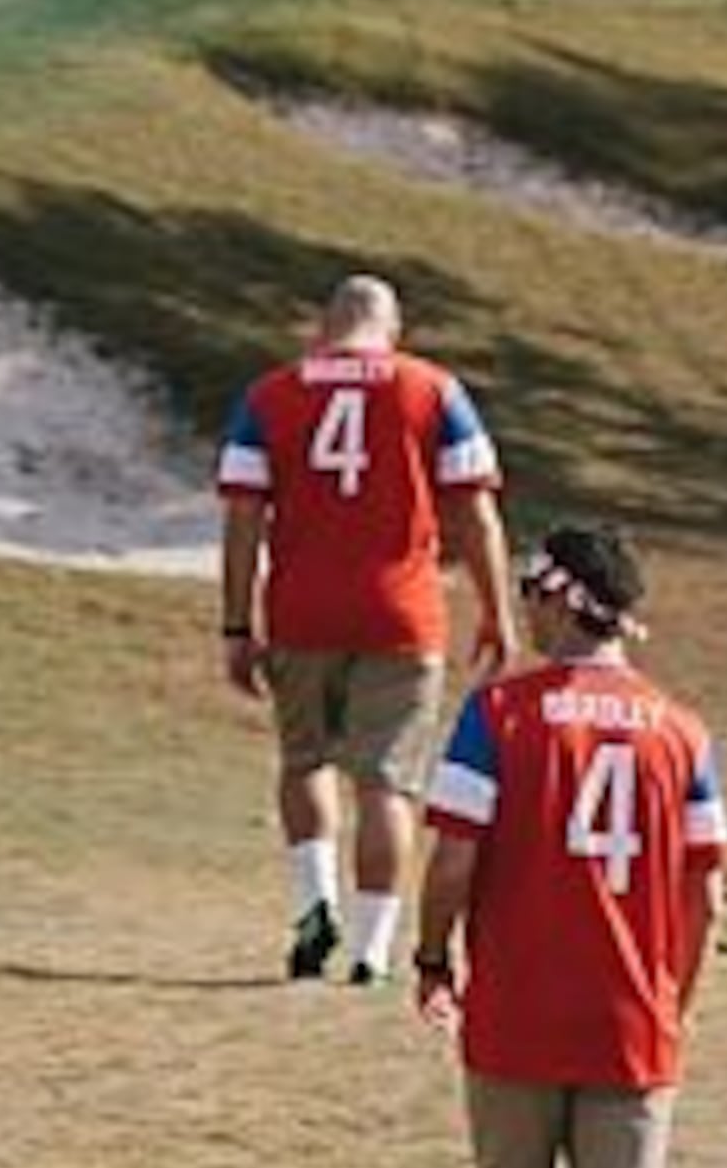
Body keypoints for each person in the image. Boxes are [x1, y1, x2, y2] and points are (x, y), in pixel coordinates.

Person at [412, 524, 727, 1168]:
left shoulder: (501, 715)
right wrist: (672, 999)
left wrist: (432, 957)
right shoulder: (683, 732)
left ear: (559, 599)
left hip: (514, 1015)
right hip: (633, 1027)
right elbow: (707, 894)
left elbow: (455, 859)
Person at [217, 273, 518, 985]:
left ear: (324, 328)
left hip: (300, 609)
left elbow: (242, 516)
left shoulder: (271, 395)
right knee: (387, 784)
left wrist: (236, 622)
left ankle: (312, 900)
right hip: (403, 613)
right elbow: (475, 511)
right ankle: (372, 946)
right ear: (394, 330)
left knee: (304, 762)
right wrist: (497, 612)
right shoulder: (433, 389)